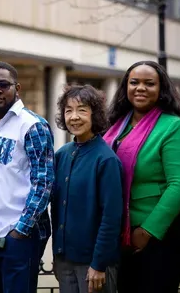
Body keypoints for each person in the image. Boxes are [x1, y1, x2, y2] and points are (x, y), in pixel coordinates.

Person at [102, 60, 180, 293]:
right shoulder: (116, 126)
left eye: (149, 83)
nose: (140, 88)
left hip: (160, 236)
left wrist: (148, 231)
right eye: (134, 82)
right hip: (122, 233)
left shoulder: (174, 126)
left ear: (161, 89)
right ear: (126, 87)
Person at [0, 61, 54, 293]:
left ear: (17, 88)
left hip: (19, 235)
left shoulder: (32, 126)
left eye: (3, 85)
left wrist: (21, 230)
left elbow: (44, 181)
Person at [51, 84, 123, 293]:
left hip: (93, 264)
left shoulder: (106, 160)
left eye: (81, 110)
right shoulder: (62, 154)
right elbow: (57, 210)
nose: (74, 117)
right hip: (65, 260)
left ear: (95, 115)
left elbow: (111, 217)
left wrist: (99, 263)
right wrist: (57, 255)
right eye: (68, 111)